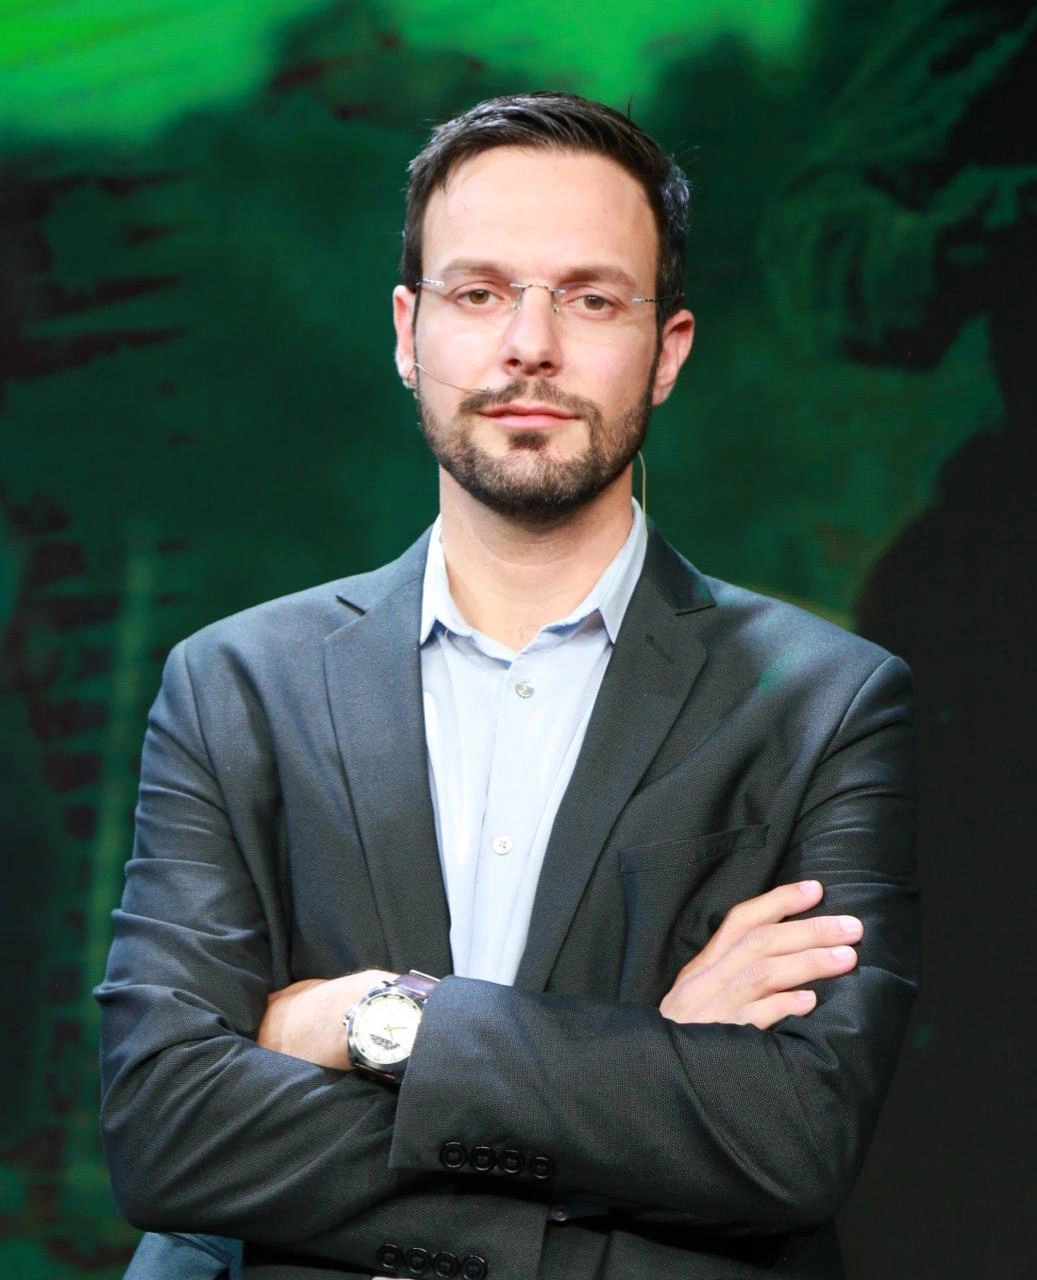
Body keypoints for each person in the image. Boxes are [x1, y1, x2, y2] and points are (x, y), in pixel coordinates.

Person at [96, 93, 918, 1280]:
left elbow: (791, 1138)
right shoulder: (233, 685)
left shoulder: (826, 703)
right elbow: (167, 1129)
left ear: (667, 350)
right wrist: (639, 1075)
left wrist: (374, 1019)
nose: (529, 342)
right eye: (478, 293)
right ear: (406, 332)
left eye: (589, 298)